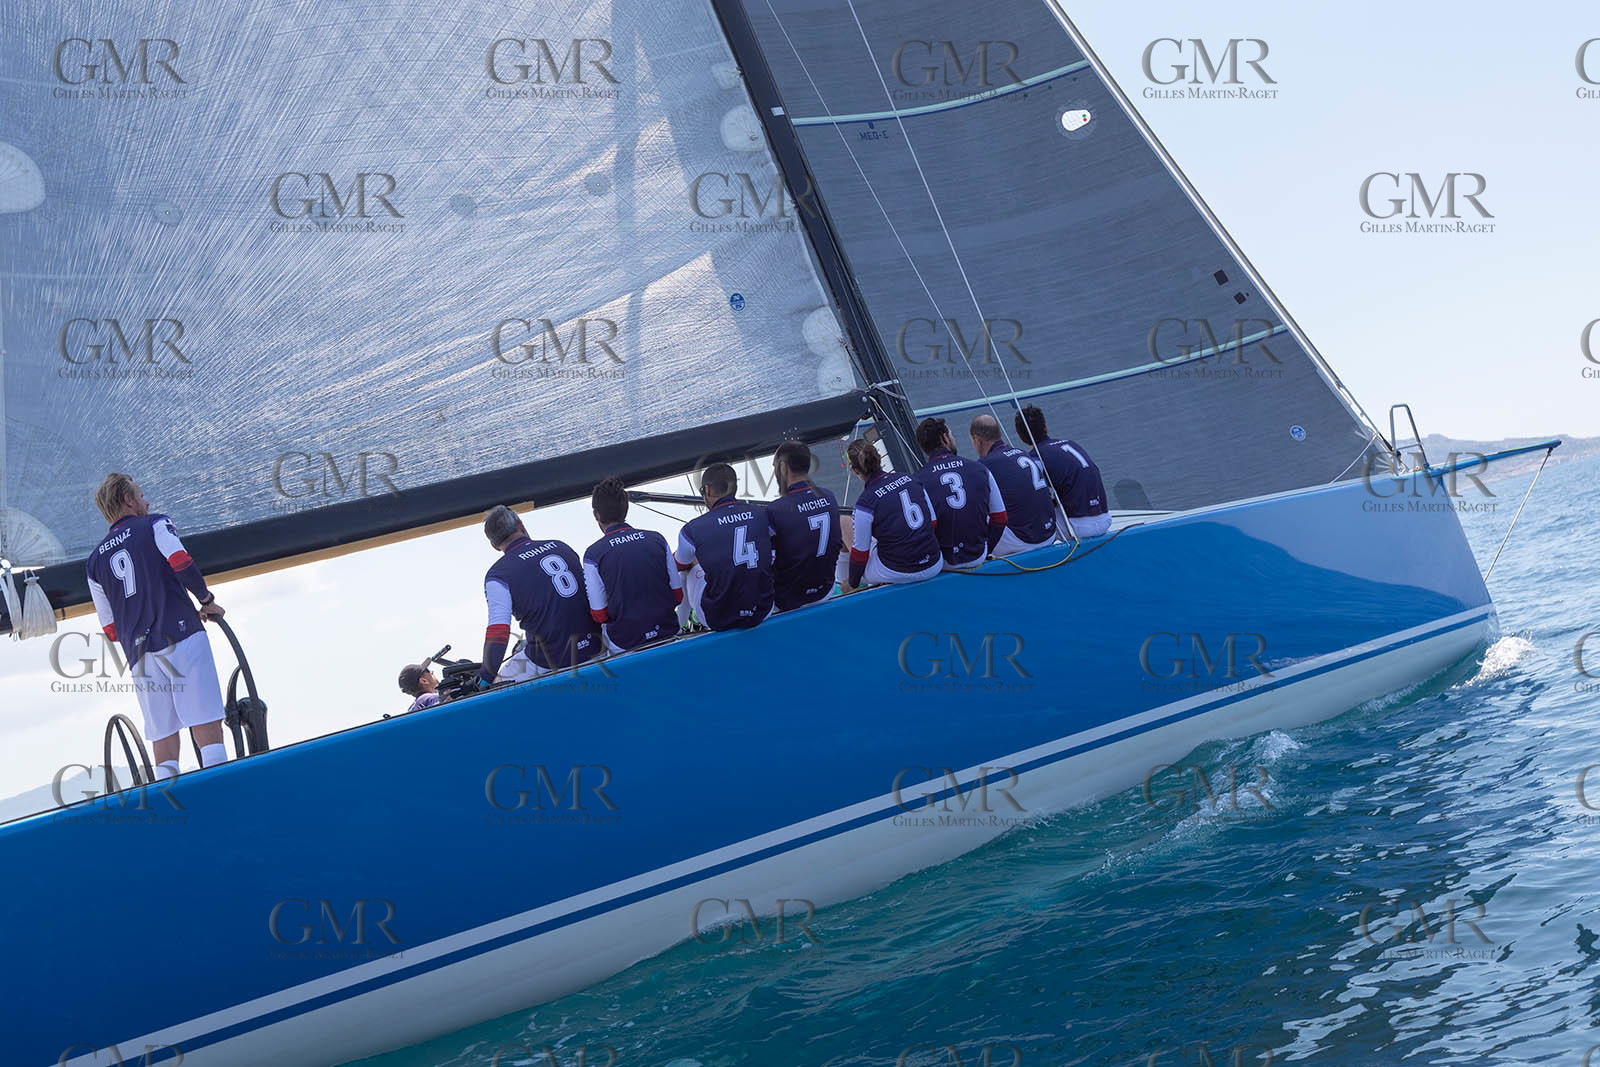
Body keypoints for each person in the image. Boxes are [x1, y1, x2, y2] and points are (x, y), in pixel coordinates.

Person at [85, 473, 228, 780]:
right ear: (128, 500)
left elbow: (110, 629)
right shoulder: (155, 524)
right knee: (206, 722)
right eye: (140, 494)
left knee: (163, 735)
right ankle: (224, 797)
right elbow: (179, 559)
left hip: (140, 656)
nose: (146, 501)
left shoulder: (94, 562)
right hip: (182, 635)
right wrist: (206, 600)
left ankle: (169, 805)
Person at [476, 505, 601, 687]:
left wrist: (486, 676)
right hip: (596, 646)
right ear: (521, 525)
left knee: (496, 685)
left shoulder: (497, 574)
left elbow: (499, 630)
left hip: (551, 660)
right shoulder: (561, 546)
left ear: (494, 545)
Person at [582, 476, 682, 652]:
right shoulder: (657, 539)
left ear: (596, 515)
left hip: (625, 642)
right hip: (668, 631)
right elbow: (678, 596)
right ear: (626, 508)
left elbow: (599, 614)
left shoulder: (593, 555)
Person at [673, 463, 774, 630]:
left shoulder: (691, 530)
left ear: (708, 490)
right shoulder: (763, 515)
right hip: (762, 610)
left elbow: (678, 563)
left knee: (690, 566)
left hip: (718, 617)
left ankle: (681, 626)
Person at [843, 438, 942, 591]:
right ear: (879, 458)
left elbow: (860, 554)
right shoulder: (911, 479)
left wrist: (852, 583)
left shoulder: (865, 503)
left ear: (856, 470)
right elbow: (933, 522)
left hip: (900, 571)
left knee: (844, 523)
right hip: (934, 563)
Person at [913, 417, 1008, 571]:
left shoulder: (917, 481)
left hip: (944, 563)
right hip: (978, 555)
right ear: (944, 438)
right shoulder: (980, 469)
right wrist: (986, 550)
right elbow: (1000, 518)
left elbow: (923, 531)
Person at [764, 441, 842, 611]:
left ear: (783, 467)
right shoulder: (829, 496)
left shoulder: (775, 510)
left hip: (789, 599)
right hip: (824, 590)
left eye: (775, 466)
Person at [1015, 405, 1112, 539]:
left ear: (1020, 436)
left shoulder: (1035, 458)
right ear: (1046, 426)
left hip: (1079, 527)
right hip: (1105, 518)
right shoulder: (1071, 444)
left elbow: (1033, 498)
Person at [969, 414, 1058, 556]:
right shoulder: (1022, 453)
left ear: (977, 440)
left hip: (1024, 542)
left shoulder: (983, 466)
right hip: (1050, 533)